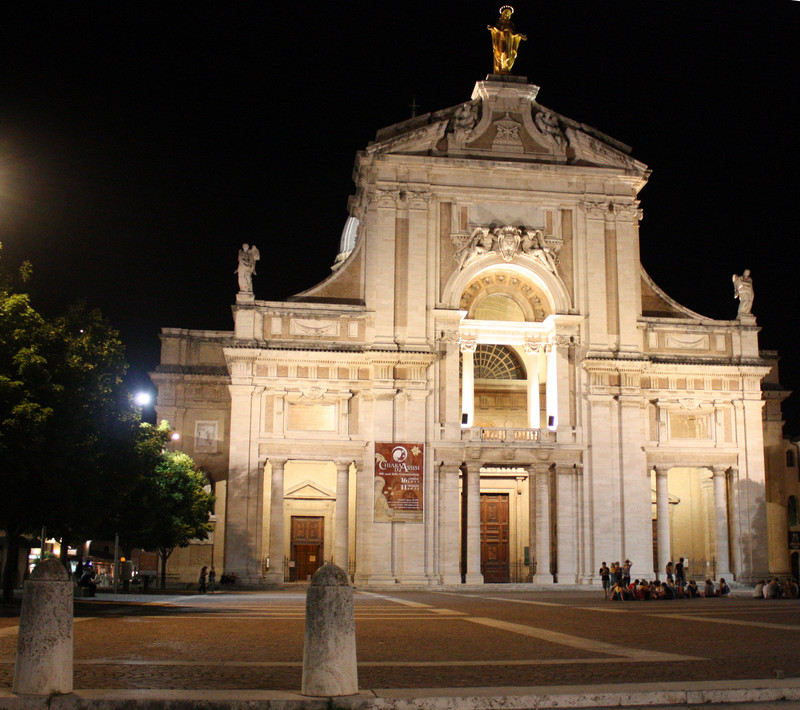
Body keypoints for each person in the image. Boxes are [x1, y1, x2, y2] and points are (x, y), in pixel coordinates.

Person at [487, 6, 527, 75]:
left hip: (509, 41)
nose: (507, 15)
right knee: (502, 52)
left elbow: (513, 33)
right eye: (506, 13)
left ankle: (505, 68)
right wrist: (492, 28)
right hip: (501, 39)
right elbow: (496, 30)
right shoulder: (500, 22)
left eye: (509, 14)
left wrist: (520, 35)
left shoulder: (511, 24)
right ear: (503, 13)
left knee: (508, 55)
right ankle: (502, 68)